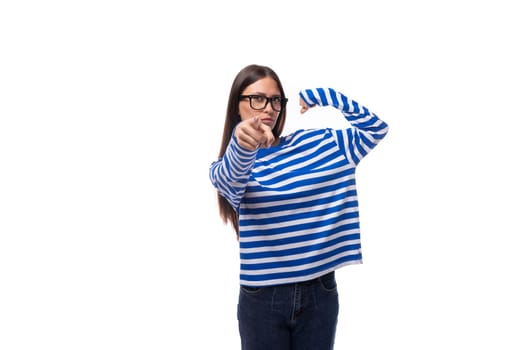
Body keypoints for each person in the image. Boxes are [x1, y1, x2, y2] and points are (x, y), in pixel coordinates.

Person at [209, 64, 389, 350]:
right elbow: (229, 177)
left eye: (276, 99)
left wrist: (327, 95)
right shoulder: (232, 164)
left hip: (320, 291)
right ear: (237, 106)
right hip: (261, 299)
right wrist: (242, 142)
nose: (268, 108)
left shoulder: (319, 143)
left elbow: (376, 128)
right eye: (257, 99)